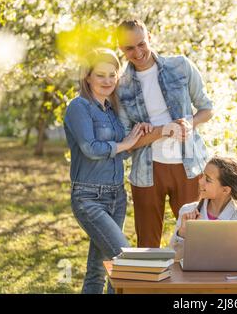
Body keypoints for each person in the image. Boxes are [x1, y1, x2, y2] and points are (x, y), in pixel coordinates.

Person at [116, 20, 214, 248]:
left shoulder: (180, 66)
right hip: (146, 172)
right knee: (147, 242)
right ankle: (152, 285)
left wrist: (191, 123)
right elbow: (126, 142)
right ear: (121, 48)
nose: (138, 52)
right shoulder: (121, 86)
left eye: (141, 44)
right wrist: (162, 131)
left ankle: (194, 285)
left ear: (149, 37)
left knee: (196, 239)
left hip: (189, 166)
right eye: (130, 48)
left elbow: (207, 109)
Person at [63, 48, 151, 294]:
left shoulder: (112, 113)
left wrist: (136, 136)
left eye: (112, 74)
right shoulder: (79, 107)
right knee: (126, 261)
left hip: (116, 197)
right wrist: (124, 144)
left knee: (100, 269)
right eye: (100, 75)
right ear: (87, 76)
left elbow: (120, 151)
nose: (108, 81)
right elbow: (89, 148)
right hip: (88, 198)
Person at [169, 156, 237, 260]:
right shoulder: (187, 211)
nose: (200, 181)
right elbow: (173, 259)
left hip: (228, 276)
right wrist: (182, 232)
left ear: (225, 190)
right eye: (202, 176)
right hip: (193, 276)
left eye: (208, 180)